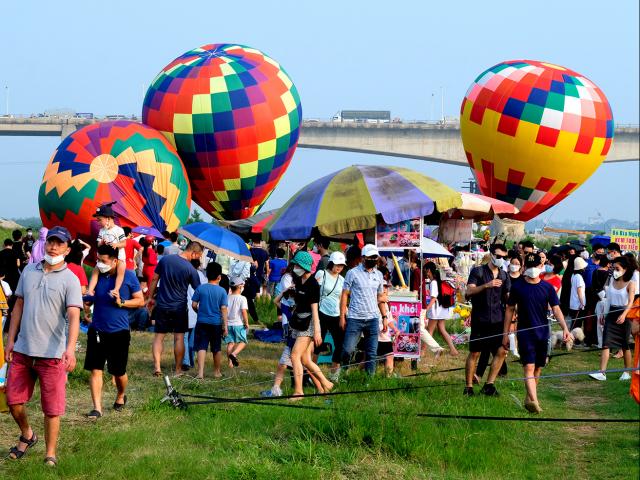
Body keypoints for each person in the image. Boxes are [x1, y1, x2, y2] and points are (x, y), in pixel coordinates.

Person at [4, 226, 82, 467]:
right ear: (44, 244)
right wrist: (10, 340)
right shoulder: (29, 270)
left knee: (52, 409)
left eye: (59, 243)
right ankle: (27, 434)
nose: (53, 247)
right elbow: (18, 306)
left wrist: (69, 349)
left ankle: (50, 453)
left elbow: (73, 315)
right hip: (23, 351)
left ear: (67, 249)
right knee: (12, 401)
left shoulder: (71, 279)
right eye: (51, 242)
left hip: (52, 355)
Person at [505, 253, 571, 413]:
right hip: (524, 332)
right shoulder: (518, 286)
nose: (532, 269)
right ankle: (535, 402)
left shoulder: (547, 287)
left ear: (541, 267)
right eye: (529, 267)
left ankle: (529, 398)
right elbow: (509, 309)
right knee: (528, 366)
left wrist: (565, 328)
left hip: (543, 332)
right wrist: (505, 333)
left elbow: (556, 309)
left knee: (538, 367)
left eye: (535, 266)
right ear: (524, 268)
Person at [84, 245, 144, 419]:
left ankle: (120, 394)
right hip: (97, 329)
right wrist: (88, 300)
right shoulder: (98, 275)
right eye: (98, 260)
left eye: (104, 261)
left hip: (119, 331)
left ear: (115, 261)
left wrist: (122, 302)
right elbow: (94, 295)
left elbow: (140, 301)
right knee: (95, 369)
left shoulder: (128, 276)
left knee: (118, 372)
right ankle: (97, 408)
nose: (100, 264)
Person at [147, 241, 203, 377]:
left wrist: (150, 297)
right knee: (179, 338)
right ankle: (177, 370)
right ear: (194, 253)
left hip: (162, 305)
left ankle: (157, 368)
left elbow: (154, 279)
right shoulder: (191, 270)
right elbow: (199, 290)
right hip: (179, 307)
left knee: (159, 337)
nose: (198, 259)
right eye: (199, 256)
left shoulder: (166, 260)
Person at [463, 243, 511, 397]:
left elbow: (507, 297)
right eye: (498, 256)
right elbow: (468, 292)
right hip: (480, 318)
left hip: (498, 319)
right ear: (491, 254)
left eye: (504, 257)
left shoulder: (504, 275)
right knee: (475, 353)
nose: (501, 259)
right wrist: (486, 286)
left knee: (502, 351)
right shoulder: (478, 271)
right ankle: (469, 387)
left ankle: (489, 384)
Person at [288, 251, 334, 397]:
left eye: (296, 264)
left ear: (303, 266)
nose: (294, 267)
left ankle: (299, 391)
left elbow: (315, 310)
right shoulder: (299, 280)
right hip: (299, 322)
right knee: (305, 359)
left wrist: (317, 332)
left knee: (295, 356)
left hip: (309, 325)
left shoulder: (313, 284)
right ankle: (325, 384)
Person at [340, 244, 388, 375]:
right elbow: (344, 294)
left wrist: (384, 317)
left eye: (375, 257)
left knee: (372, 353)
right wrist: (342, 316)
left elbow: (380, 298)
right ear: (363, 258)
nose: (373, 259)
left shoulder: (378, 275)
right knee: (348, 350)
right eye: (370, 257)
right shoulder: (352, 273)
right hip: (355, 318)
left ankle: (369, 381)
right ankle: (344, 373)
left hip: (373, 318)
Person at [589, 256, 637, 381]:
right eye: (613, 268)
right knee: (606, 343)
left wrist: (624, 314)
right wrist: (604, 315)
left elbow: (631, 301)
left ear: (625, 269)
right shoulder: (611, 281)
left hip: (624, 315)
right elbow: (608, 300)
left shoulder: (631, 283)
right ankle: (602, 372)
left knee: (624, 345)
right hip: (611, 313)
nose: (614, 270)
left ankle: (626, 372)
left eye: (617, 268)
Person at [313, 251, 347, 379]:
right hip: (321, 313)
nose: (339, 267)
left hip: (336, 314)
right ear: (331, 263)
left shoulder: (342, 279)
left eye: (341, 265)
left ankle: (334, 375)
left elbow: (341, 298)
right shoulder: (321, 274)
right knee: (317, 344)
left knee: (340, 344)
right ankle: (311, 373)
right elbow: (314, 292)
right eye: (337, 264)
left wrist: (344, 315)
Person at [192, 262, 228, 379]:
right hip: (216, 323)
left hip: (202, 321)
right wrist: (225, 327)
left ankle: (200, 373)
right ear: (219, 277)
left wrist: (199, 312)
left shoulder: (200, 288)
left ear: (206, 274)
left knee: (201, 347)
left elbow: (194, 304)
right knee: (216, 348)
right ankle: (217, 372)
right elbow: (223, 310)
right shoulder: (222, 291)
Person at [87, 203, 127, 298]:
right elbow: (98, 244)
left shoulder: (119, 230)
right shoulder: (102, 231)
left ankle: (116, 289)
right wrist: (101, 242)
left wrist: (116, 244)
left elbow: (124, 243)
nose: (98, 222)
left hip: (118, 258)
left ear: (108, 218)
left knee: (121, 270)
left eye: (100, 220)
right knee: (96, 270)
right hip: (105, 258)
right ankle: (90, 289)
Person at [424, 262, 458, 356]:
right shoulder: (437, 281)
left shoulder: (433, 282)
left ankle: (423, 351)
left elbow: (433, 298)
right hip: (441, 309)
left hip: (436, 310)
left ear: (429, 270)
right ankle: (453, 350)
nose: (425, 272)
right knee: (442, 329)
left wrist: (426, 309)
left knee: (429, 331)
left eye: (425, 270)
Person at [225, 277, 249, 368]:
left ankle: (230, 364)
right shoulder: (242, 298)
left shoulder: (227, 297)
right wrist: (246, 322)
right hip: (238, 324)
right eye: (243, 285)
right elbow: (243, 311)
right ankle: (234, 354)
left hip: (228, 324)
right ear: (239, 286)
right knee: (243, 341)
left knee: (230, 343)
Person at [569, 257, 588, 329]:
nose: (585, 268)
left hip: (573, 303)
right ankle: (575, 339)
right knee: (577, 325)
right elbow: (579, 291)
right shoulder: (579, 277)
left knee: (574, 323)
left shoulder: (573, 275)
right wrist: (582, 303)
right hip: (578, 304)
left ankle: (572, 338)